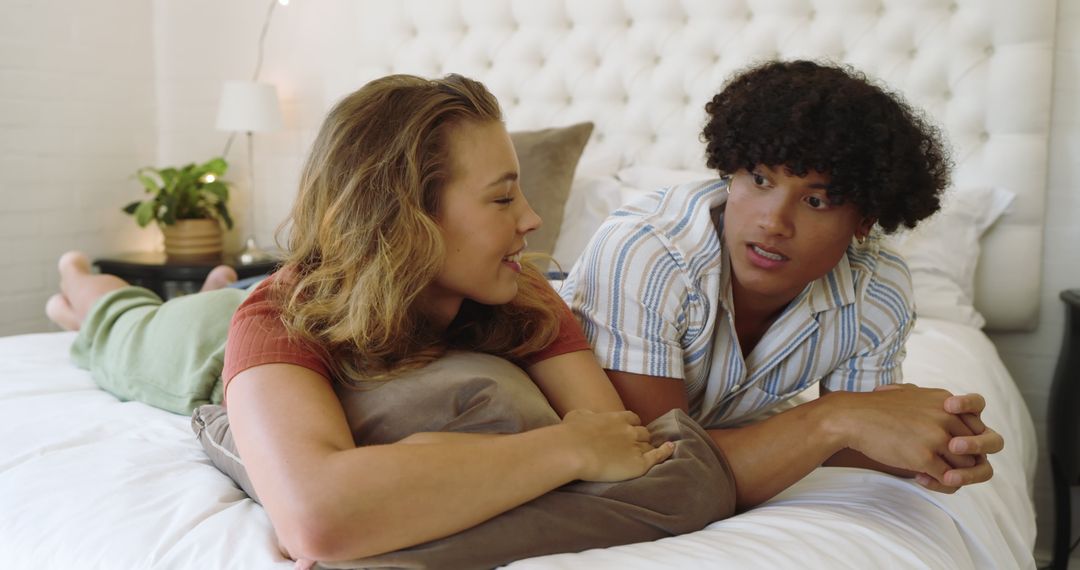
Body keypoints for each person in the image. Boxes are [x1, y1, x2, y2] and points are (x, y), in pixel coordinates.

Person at [45, 74, 682, 564]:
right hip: (208, 346)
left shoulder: (522, 290)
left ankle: (208, 284)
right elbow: (315, 515)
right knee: (117, 320)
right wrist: (560, 448)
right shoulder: (277, 320)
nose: (532, 219)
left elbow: (614, 442)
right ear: (407, 216)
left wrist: (581, 447)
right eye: (502, 196)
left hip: (315, 298)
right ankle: (81, 285)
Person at [559, 59, 1004, 509]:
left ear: (865, 220)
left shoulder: (877, 290)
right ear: (730, 172)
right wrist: (833, 416)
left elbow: (863, 436)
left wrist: (944, 441)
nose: (773, 222)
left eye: (816, 200)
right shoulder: (647, 252)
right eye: (759, 179)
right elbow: (659, 468)